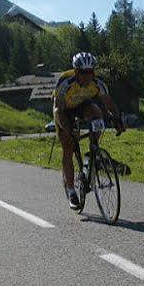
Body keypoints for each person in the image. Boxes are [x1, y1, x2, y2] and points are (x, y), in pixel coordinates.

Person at [53, 52, 126, 209]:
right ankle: (72, 191)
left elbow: (109, 104)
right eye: (83, 72)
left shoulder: (98, 84)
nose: (87, 76)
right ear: (76, 71)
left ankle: (94, 151)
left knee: (96, 113)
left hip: (81, 106)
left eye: (91, 72)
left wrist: (117, 119)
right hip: (64, 110)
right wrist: (69, 129)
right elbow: (58, 110)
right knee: (68, 147)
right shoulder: (65, 83)